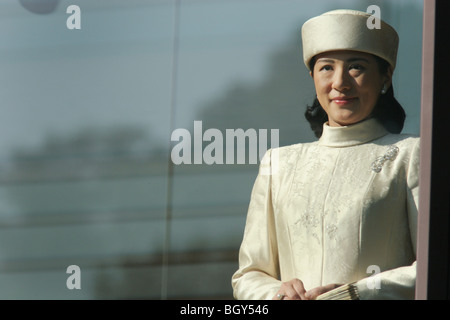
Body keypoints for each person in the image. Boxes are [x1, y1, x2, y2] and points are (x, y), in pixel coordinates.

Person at [231, 9, 419, 300]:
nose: (340, 83)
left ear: (385, 77)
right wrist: (278, 294)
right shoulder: (278, 164)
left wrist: (355, 294)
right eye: (326, 68)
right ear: (312, 77)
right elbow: (250, 274)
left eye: (356, 67)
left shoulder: (411, 154)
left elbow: (432, 266)